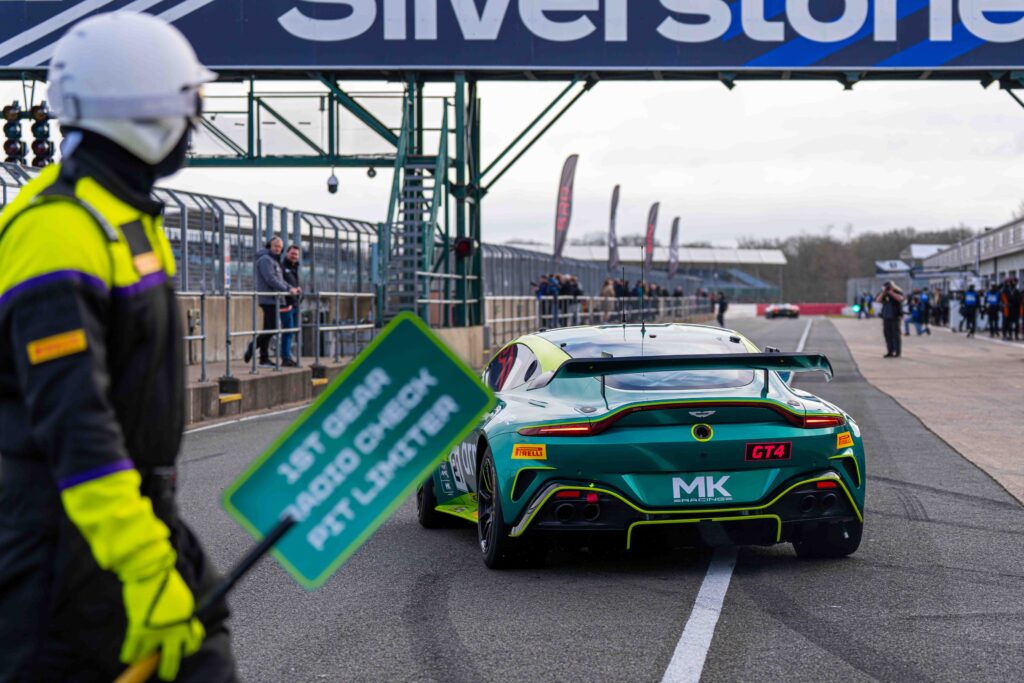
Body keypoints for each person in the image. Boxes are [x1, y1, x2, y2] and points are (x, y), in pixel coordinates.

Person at [0, 13, 236, 682]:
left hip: (140, 522)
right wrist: (143, 568)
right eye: (187, 107)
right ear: (146, 115)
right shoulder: (57, 231)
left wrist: (160, 553)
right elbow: (76, 430)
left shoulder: (125, 214)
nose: (192, 127)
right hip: (65, 556)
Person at [246, 236, 300, 367]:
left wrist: (290, 288)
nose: (278, 249)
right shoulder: (266, 260)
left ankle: (263, 358)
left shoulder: (273, 261)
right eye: (276, 246)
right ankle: (253, 347)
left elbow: (280, 280)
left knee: (268, 328)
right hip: (268, 299)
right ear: (270, 245)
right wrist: (288, 289)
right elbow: (271, 279)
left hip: (274, 299)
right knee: (272, 328)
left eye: (280, 247)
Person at [280, 244, 301, 366]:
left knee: (292, 331)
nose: (294, 256)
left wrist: (298, 289)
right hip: (286, 304)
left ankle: (287, 356)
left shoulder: (295, 267)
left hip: (295, 303)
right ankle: (285, 358)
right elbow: (281, 283)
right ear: (287, 253)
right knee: (288, 331)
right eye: (292, 253)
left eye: (296, 254)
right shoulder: (282, 267)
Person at [877, 281, 905, 358]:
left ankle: (897, 352)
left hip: (895, 316)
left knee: (896, 335)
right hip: (886, 317)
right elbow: (878, 300)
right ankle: (890, 351)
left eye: (888, 287)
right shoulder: (883, 293)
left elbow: (901, 299)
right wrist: (883, 293)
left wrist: (891, 293)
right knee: (887, 335)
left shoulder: (897, 291)